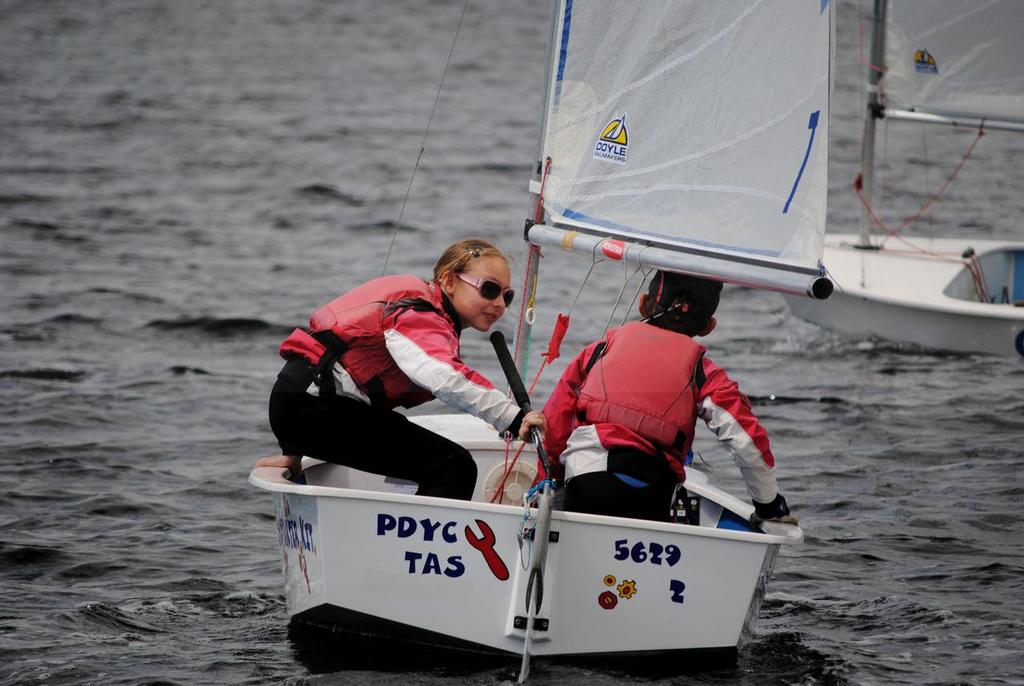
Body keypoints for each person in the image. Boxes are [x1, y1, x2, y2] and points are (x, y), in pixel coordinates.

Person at [256, 238, 546, 500]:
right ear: (448, 282)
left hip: (301, 406)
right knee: (452, 466)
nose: (499, 304)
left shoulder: (428, 312)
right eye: (489, 289)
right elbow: (441, 375)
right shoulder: (418, 313)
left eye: (506, 296)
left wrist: (292, 451)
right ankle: (420, 557)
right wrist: (512, 417)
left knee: (441, 460)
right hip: (311, 409)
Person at [541, 270, 793, 523]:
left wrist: (552, 477)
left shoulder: (599, 351)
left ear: (642, 304)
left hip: (586, 478)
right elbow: (747, 442)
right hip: (653, 489)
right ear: (708, 327)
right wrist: (769, 504)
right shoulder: (703, 373)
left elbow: (554, 425)